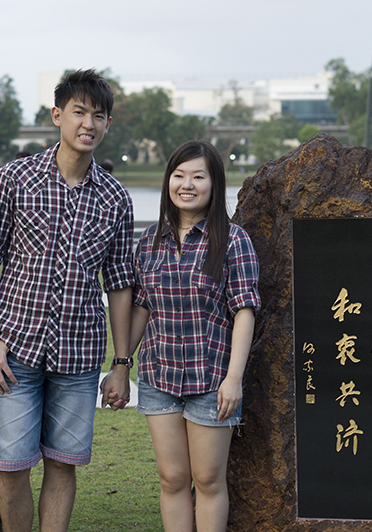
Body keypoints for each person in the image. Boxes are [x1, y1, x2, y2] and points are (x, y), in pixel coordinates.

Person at [0, 69, 134, 532]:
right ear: (57, 115)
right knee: (11, 465)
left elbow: (120, 283)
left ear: (107, 126)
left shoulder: (116, 198)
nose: (89, 123)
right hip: (15, 351)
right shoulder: (15, 178)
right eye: (80, 112)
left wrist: (121, 364)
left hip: (79, 357)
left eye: (99, 116)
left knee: (63, 464)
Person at [114, 140, 260, 531]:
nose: (187, 184)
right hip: (159, 377)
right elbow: (142, 307)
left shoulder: (233, 240)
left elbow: (244, 312)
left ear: (214, 184)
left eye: (198, 176)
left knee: (209, 480)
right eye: (179, 175)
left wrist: (233, 380)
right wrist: (121, 362)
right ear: (168, 182)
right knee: (172, 479)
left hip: (211, 380)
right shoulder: (149, 242)